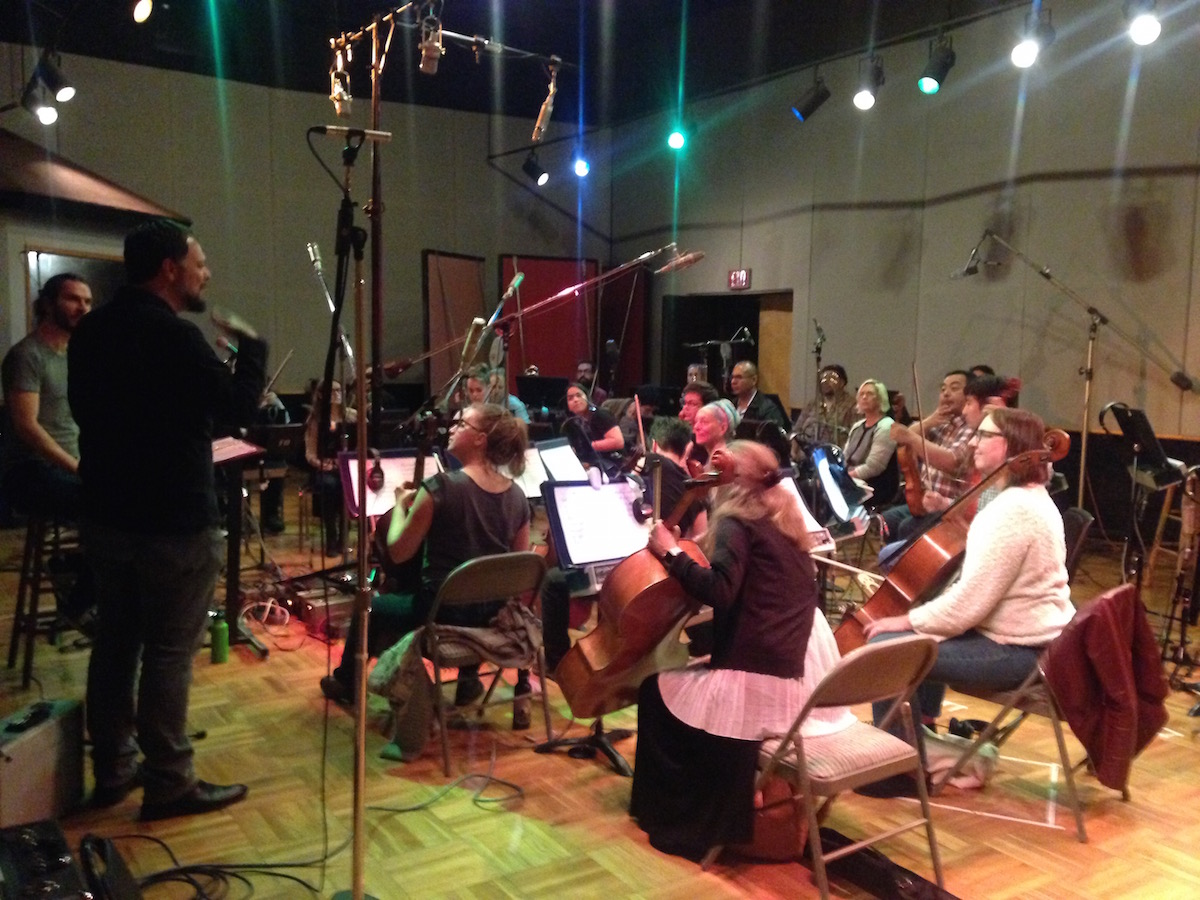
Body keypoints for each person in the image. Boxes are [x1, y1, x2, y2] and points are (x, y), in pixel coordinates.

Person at [68, 219, 266, 820]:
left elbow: (83, 412)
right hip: (174, 521)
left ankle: (112, 769)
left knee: (114, 645)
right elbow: (235, 411)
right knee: (168, 654)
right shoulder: (177, 338)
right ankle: (171, 782)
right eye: (199, 263)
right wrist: (251, 348)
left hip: (106, 514)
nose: (206, 274)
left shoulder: (90, 332)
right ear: (170, 269)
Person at [630, 440, 854, 860]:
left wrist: (671, 552)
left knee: (653, 691)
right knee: (685, 678)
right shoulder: (783, 523)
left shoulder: (738, 522)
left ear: (732, 480)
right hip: (791, 682)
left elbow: (720, 591)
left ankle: (674, 817)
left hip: (751, 687)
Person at [861, 408, 1074, 793]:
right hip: (1029, 642)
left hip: (1019, 652)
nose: (973, 442)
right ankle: (919, 743)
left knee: (885, 649)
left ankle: (896, 771)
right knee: (920, 633)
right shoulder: (1017, 495)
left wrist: (904, 622)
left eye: (984, 435)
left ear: (1009, 447)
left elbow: (966, 608)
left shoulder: (1013, 510)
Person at [321, 402, 532, 721]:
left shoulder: (441, 487)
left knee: (370, 606)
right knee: (477, 590)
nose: (451, 428)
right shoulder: (517, 496)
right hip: (489, 617)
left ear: (480, 439)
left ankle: (347, 682)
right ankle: (468, 680)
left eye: (461, 425)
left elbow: (398, 551)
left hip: (439, 615)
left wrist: (398, 507)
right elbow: (516, 572)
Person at [541, 416, 709, 672]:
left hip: (623, 567)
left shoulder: (633, 479)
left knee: (554, 579)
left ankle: (556, 663)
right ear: (687, 449)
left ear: (653, 445)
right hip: (665, 571)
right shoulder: (693, 490)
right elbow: (701, 538)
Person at [1, 272, 92, 518]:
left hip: (72, 461)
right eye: (73, 299)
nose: (82, 307)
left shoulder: (77, 355)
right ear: (47, 304)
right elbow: (27, 427)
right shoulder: (28, 355)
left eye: (87, 301)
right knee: (108, 498)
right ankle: (93, 556)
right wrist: (77, 468)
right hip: (32, 469)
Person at [881, 370, 972, 542]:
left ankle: (908, 566)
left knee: (906, 527)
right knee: (887, 520)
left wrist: (912, 437)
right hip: (923, 502)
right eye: (943, 389)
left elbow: (952, 461)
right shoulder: (940, 423)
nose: (946, 393)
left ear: (970, 397)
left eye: (954, 388)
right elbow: (900, 439)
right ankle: (892, 565)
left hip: (948, 506)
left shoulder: (970, 427)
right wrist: (929, 422)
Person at [303, 379, 356, 556]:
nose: (337, 395)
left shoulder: (351, 416)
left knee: (346, 487)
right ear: (320, 395)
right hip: (323, 469)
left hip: (346, 469)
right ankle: (331, 539)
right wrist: (322, 464)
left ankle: (344, 538)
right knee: (330, 486)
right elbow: (310, 454)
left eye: (339, 391)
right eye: (332, 391)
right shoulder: (316, 420)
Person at [843, 378, 898, 505]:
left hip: (873, 485)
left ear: (880, 399)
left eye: (870, 394)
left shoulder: (886, 425)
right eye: (861, 394)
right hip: (852, 479)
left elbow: (874, 467)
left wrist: (846, 478)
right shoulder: (858, 425)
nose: (864, 397)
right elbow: (845, 457)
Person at [562, 381, 624, 476]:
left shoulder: (601, 415)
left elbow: (618, 442)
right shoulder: (571, 423)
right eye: (570, 398)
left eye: (579, 395)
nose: (575, 400)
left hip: (610, 466)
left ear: (587, 398)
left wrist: (591, 446)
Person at [791, 364, 856, 447]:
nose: (825, 382)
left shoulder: (852, 405)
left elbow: (855, 437)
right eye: (823, 379)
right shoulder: (813, 404)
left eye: (830, 379)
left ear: (842, 383)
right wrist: (794, 448)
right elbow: (797, 430)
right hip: (808, 451)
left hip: (834, 453)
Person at [728, 360, 788, 430]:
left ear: (754, 380)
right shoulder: (730, 405)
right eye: (732, 377)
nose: (733, 382)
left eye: (739, 377)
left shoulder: (768, 409)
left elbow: (773, 437)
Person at [687, 398, 739, 475]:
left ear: (722, 428)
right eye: (696, 422)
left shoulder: (724, 463)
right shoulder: (710, 461)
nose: (696, 427)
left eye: (704, 422)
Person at [466, 365, 530, 423]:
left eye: (500, 387)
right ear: (488, 387)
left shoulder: (515, 405)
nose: (496, 391)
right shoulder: (483, 402)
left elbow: (525, 427)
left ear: (506, 387)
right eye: (493, 387)